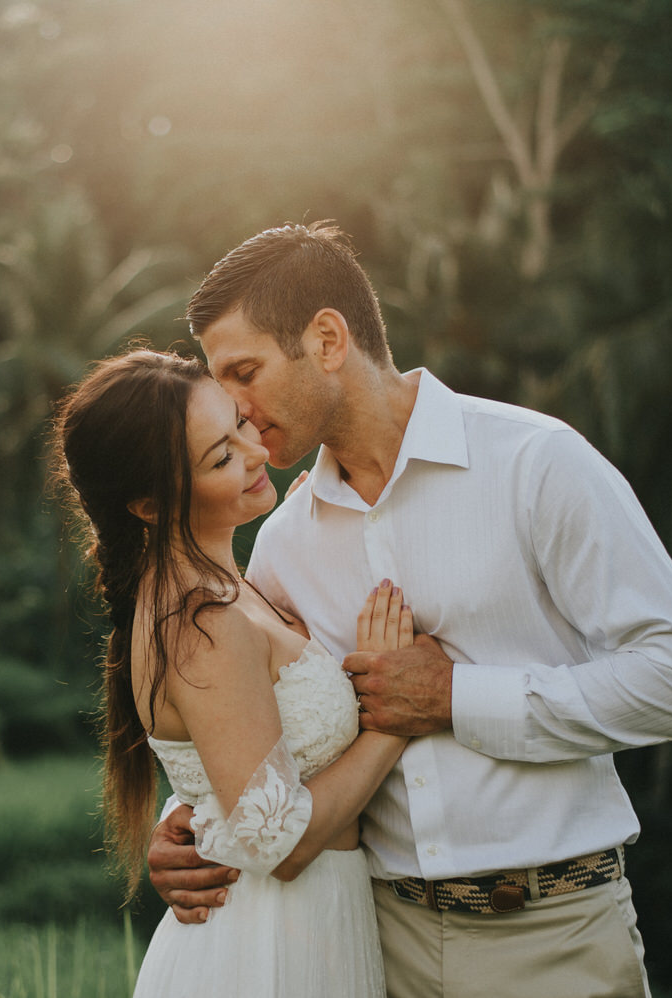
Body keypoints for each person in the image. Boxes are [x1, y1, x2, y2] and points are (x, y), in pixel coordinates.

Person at [148, 222, 672, 998]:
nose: (239, 413)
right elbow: (255, 709)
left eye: (245, 373)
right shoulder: (284, 539)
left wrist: (456, 698)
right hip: (375, 947)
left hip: (555, 938)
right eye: (223, 388)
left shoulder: (536, 464)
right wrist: (187, 821)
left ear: (326, 339)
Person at [52, 348, 425, 998]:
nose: (255, 453)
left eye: (239, 425)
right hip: (269, 945)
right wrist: (392, 721)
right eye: (221, 457)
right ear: (147, 505)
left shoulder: (230, 589)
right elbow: (275, 842)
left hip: (316, 922)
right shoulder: (201, 622)